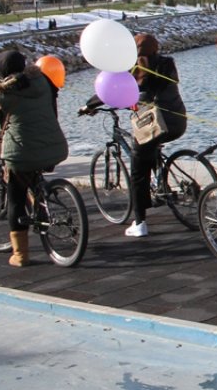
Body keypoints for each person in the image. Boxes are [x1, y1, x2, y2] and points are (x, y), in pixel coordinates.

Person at [0, 51, 68, 267]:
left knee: (15, 197)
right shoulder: (43, 81)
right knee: (33, 175)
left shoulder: (2, 94)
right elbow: (52, 110)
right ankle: (43, 204)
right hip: (55, 145)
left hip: (21, 153)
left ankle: (20, 255)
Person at [80, 34, 187, 237]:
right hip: (178, 122)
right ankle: (160, 181)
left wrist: (89, 105)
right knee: (150, 150)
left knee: (138, 171)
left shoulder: (135, 69)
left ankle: (139, 223)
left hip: (154, 124)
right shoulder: (167, 64)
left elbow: (109, 89)